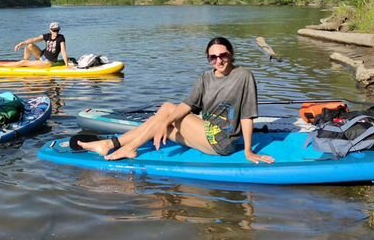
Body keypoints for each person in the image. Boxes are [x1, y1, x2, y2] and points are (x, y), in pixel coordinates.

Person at [76, 37, 275, 164]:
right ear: (208, 59)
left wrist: (248, 151)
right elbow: (188, 106)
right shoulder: (206, 78)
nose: (219, 61)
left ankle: (128, 147)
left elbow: (247, 116)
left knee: (166, 110)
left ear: (231, 55)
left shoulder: (243, 76)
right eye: (213, 57)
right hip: (203, 131)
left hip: (221, 141)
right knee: (163, 116)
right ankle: (111, 144)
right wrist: (164, 121)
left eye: (223, 55)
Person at [0, 22, 71, 68]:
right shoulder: (47, 35)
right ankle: (25, 61)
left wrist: (67, 65)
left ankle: (0, 65)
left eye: (57, 30)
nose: (56, 32)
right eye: (54, 30)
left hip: (48, 62)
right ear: (50, 30)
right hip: (41, 56)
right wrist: (21, 43)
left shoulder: (61, 38)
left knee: (23, 63)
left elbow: (63, 51)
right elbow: (34, 39)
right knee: (29, 45)